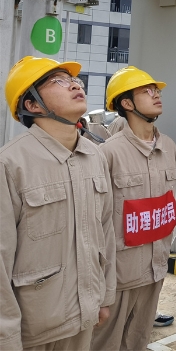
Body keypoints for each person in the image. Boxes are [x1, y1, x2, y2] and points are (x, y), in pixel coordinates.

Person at [0, 56, 115, 351]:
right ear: (32, 104)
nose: (75, 85)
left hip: (85, 316)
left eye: (74, 80)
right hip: (35, 329)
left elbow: (106, 232)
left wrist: (104, 298)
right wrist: (6, 337)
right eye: (58, 81)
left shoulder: (95, 156)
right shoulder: (11, 164)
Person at [91, 66, 176, 351]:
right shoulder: (108, 153)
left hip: (156, 269)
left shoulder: (169, 148)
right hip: (119, 276)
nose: (156, 94)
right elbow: (97, 222)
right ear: (127, 104)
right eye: (146, 91)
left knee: (138, 341)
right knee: (105, 344)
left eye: (156, 90)